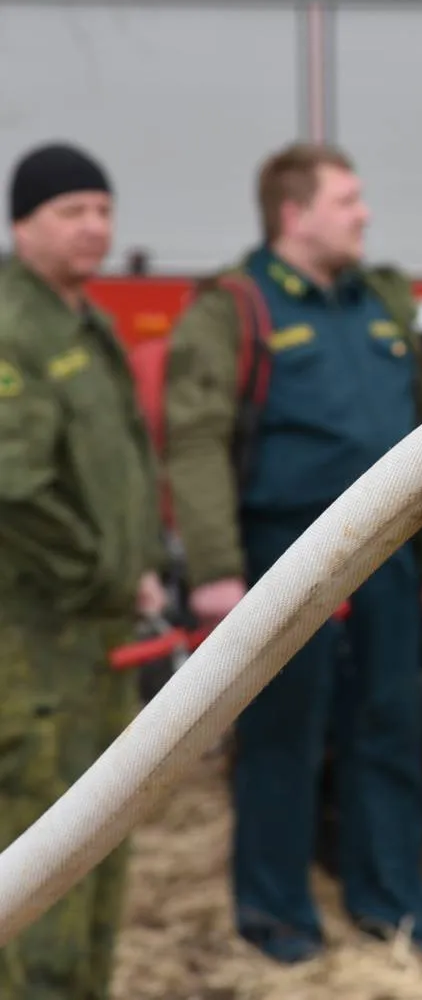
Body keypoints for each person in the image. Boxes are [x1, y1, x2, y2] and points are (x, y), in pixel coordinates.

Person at [161, 142, 422, 965]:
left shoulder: (377, 302)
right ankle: (278, 919)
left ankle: (392, 908)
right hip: (283, 557)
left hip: (385, 555)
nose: (364, 214)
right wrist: (216, 570)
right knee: (282, 737)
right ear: (294, 214)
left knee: (387, 729)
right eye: (346, 200)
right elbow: (196, 440)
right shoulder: (234, 309)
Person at [0, 141, 167, 999]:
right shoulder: (14, 327)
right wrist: (107, 570)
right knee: (43, 845)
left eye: (102, 210)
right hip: (35, 649)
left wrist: (139, 565)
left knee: (98, 834)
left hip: (96, 639)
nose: (94, 227)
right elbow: (14, 489)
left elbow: (114, 469)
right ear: (21, 224)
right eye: (71, 211)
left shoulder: (83, 320)